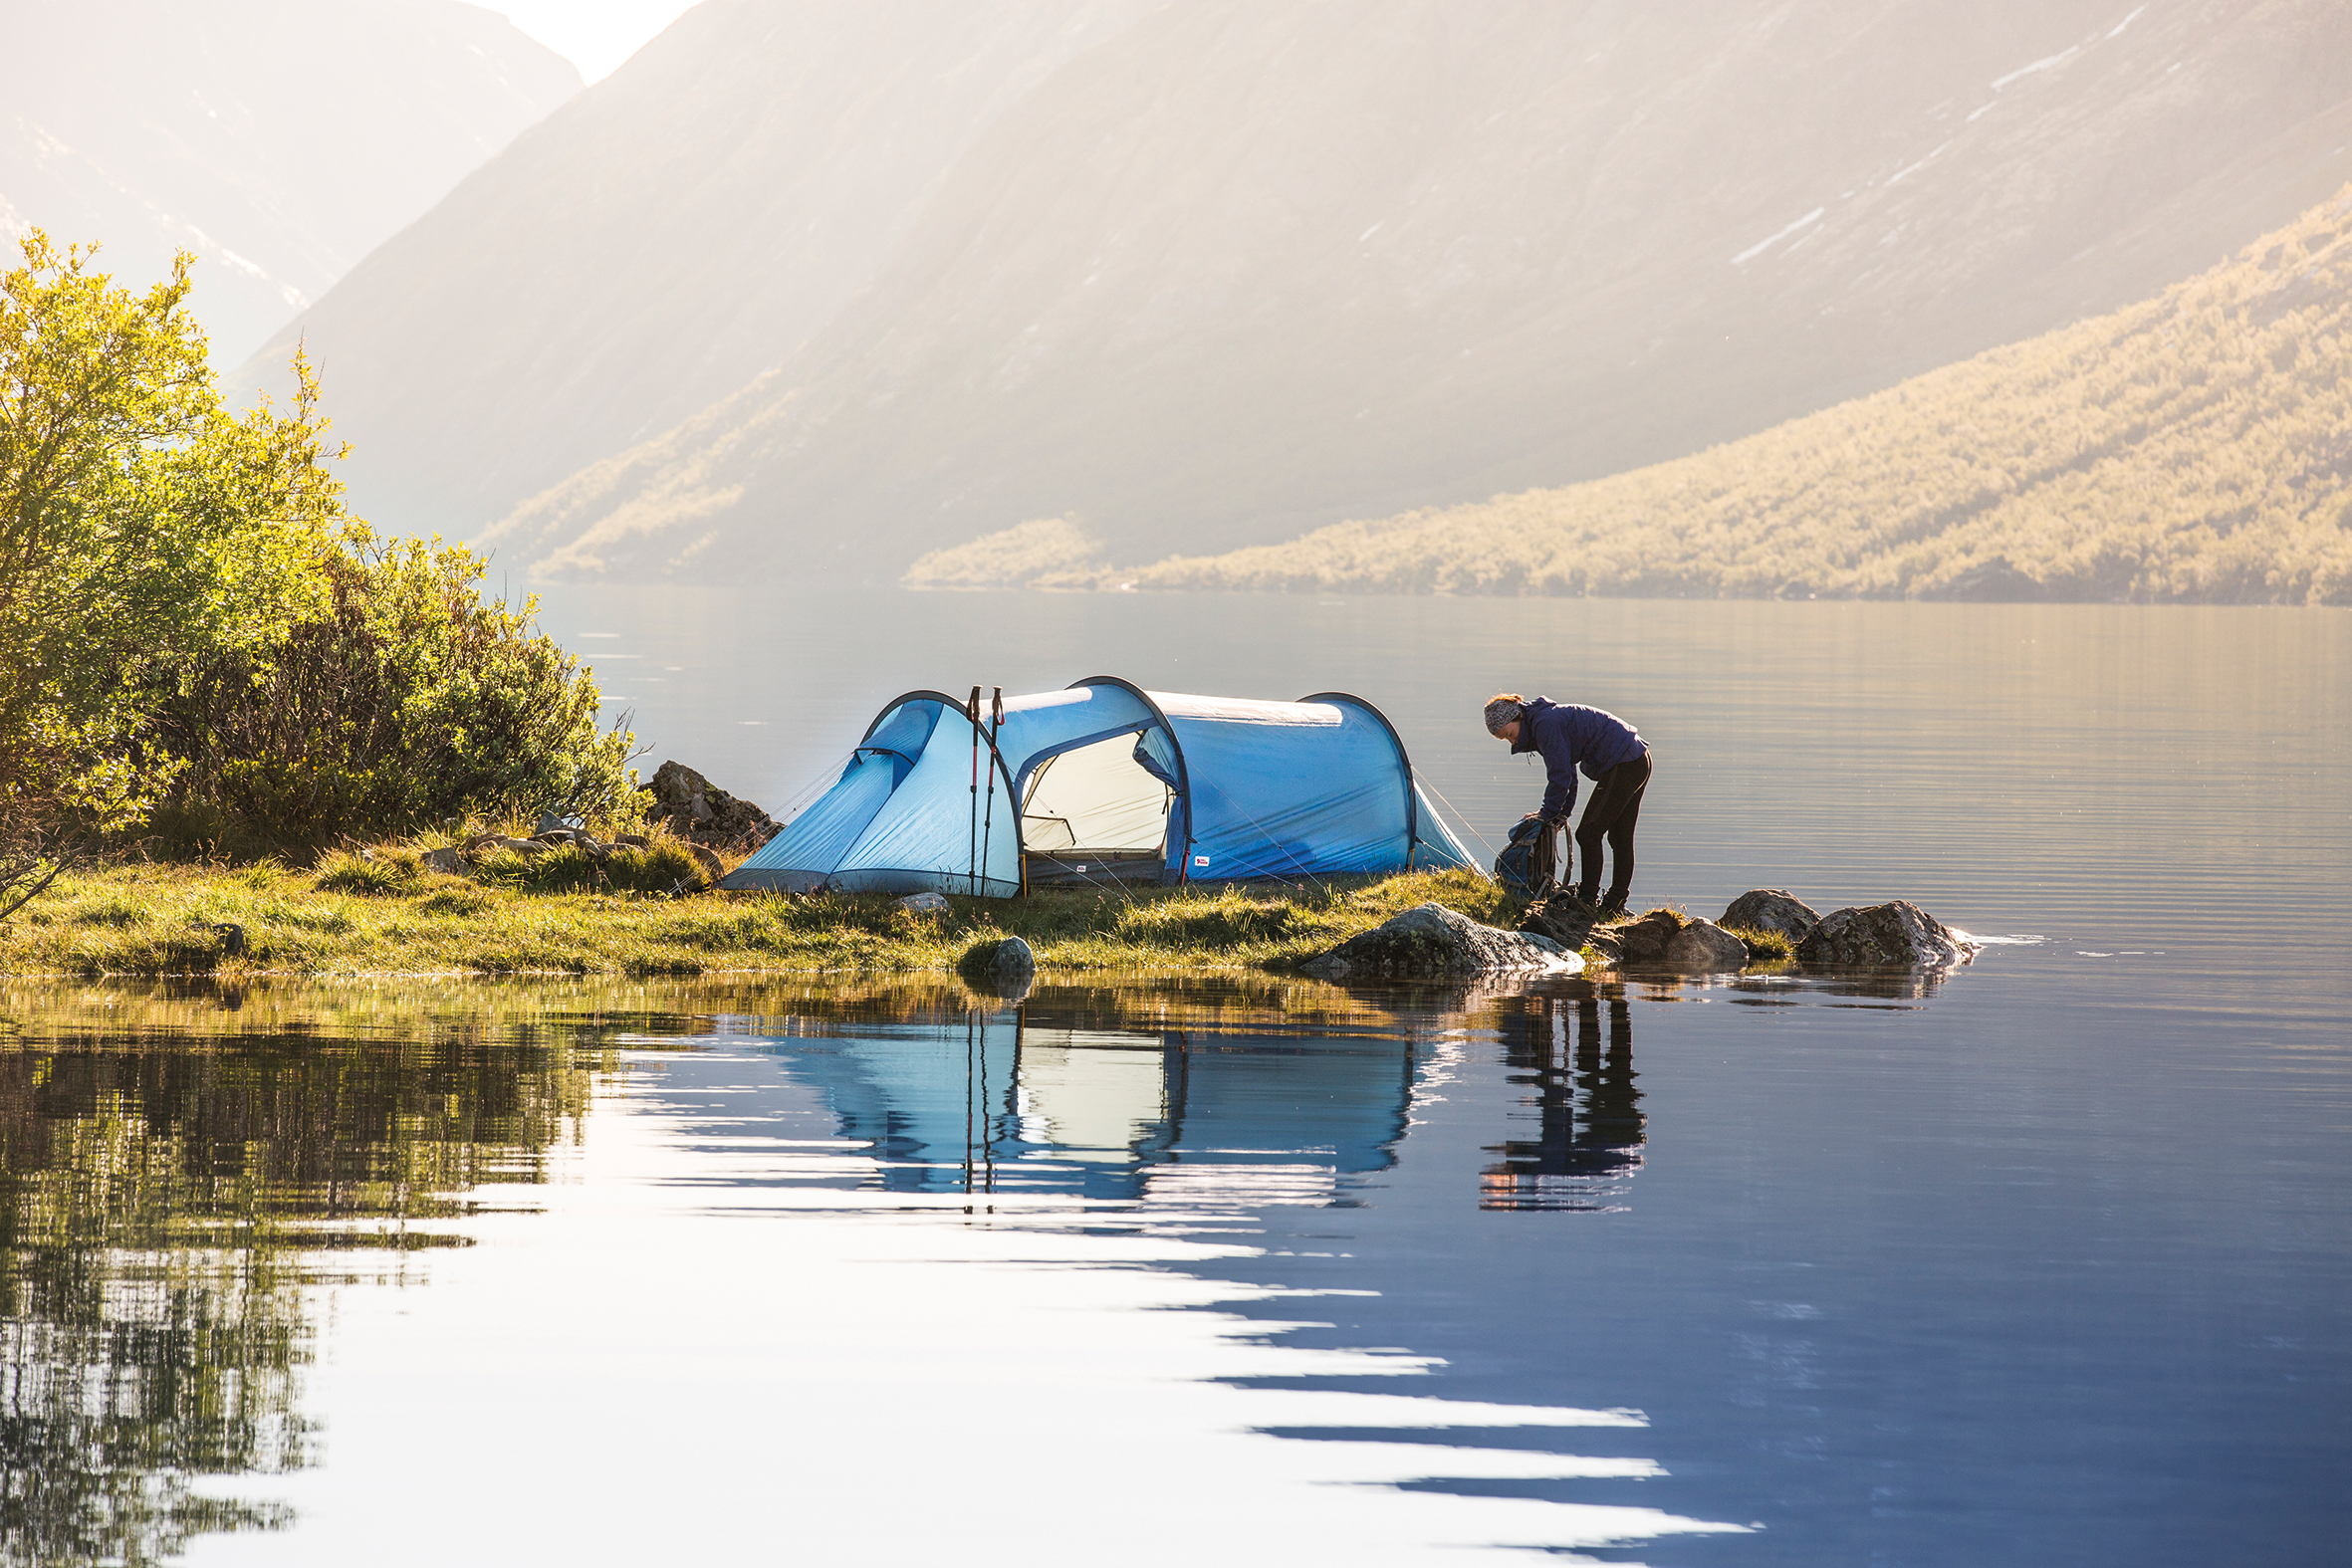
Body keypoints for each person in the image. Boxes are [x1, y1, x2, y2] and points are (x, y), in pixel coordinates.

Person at [1484, 692, 1651, 914]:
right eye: (1506, 739)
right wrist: (1562, 814)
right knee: (1619, 837)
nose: (1512, 742)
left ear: (1518, 717)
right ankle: (1613, 905)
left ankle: (1587, 900)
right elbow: (1568, 773)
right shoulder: (1543, 721)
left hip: (1625, 762)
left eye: (1510, 734)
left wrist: (1546, 814)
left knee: (1589, 834)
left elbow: (1559, 776)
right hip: (1637, 758)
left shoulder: (1545, 725)